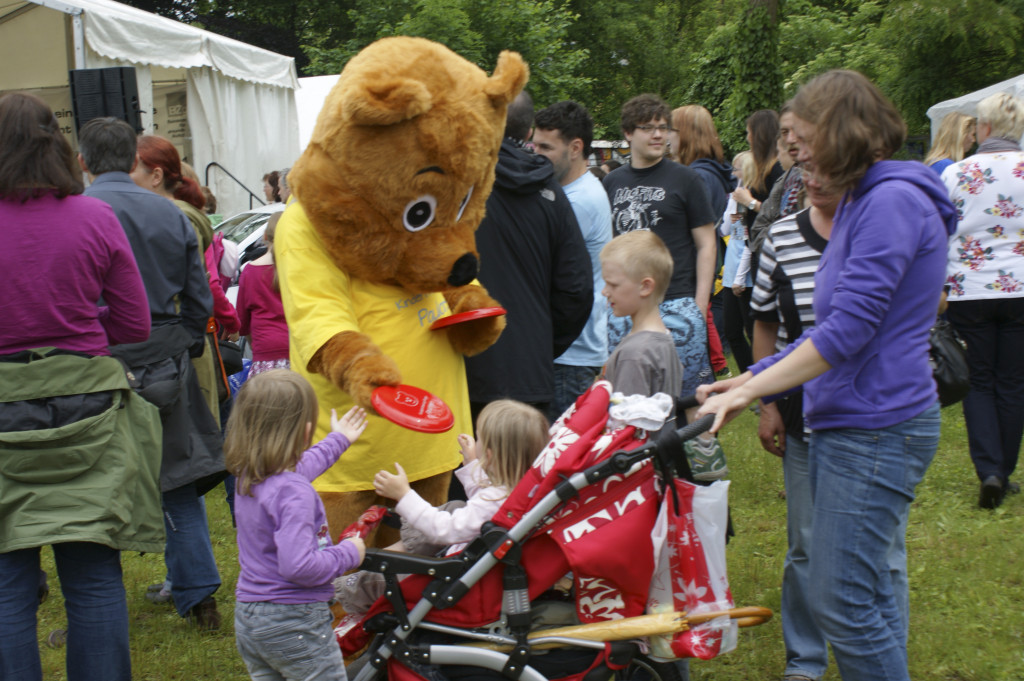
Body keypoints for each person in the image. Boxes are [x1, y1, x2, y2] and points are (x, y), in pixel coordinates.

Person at [696, 70, 955, 681]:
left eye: (807, 143)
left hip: (878, 428)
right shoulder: (867, 200)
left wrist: (756, 389)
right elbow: (829, 325)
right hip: (858, 422)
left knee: (842, 599)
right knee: (864, 594)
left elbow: (850, 332)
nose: (798, 160)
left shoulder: (891, 201)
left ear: (844, 132)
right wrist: (753, 375)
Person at [0, 92, 157, 681]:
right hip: (89, 408)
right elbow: (134, 324)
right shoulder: (94, 217)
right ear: (58, 146)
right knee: (92, 576)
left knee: (7, 584)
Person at [79, 117, 226, 629]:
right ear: (130, 159)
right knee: (176, 480)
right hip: (164, 353)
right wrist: (181, 342)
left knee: (94, 486)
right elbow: (198, 295)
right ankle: (198, 593)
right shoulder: (170, 214)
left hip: (99, 359)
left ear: (83, 161)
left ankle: (99, 609)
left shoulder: (80, 212)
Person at [602, 93, 723, 475]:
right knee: (629, 400)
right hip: (626, 309)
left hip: (678, 304)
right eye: (648, 128)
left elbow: (706, 243)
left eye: (662, 127)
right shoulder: (613, 182)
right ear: (627, 134)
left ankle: (704, 480)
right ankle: (643, 480)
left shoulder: (685, 179)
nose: (658, 135)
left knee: (690, 400)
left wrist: (700, 303)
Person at [749, 173, 840, 681]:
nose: (816, 178)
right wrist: (768, 404)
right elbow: (764, 322)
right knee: (804, 541)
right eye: (808, 166)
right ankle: (805, 660)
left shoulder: (870, 229)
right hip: (801, 409)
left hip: (865, 414)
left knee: (878, 548)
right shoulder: (783, 236)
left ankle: (867, 648)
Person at [227, 370, 368, 681]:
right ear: (305, 432)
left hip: (251, 616)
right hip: (293, 618)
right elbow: (300, 566)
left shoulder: (251, 476)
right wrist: (348, 554)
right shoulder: (294, 492)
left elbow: (302, 468)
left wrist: (339, 439)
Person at [464, 91, 593, 421]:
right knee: (524, 472)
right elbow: (576, 287)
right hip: (524, 370)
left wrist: (543, 342)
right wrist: (537, 341)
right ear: (527, 133)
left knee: (472, 471)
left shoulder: (458, 184)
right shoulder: (551, 191)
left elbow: (575, 290)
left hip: (470, 367)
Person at [941, 92, 1024, 509]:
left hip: (968, 288)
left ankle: (989, 469)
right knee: (1012, 381)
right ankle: (1004, 472)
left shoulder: (957, 173)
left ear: (985, 128)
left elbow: (937, 231)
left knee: (980, 380)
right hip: (1021, 289)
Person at [133, 137, 232, 422]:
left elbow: (202, 288)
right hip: (179, 345)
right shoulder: (171, 217)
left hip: (178, 347)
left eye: (132, 169)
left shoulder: (176, 220)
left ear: (156, 176)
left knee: (192, 426)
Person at [532, 100, 613, 419]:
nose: (535, 153)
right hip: (572, 347)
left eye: (545, 147)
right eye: (534, 144)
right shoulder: (569, 192)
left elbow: (543, 268)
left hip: (570, 353)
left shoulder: (580, 201)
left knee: (556, 460)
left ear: (575, 147)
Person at [668, 104, 737, 377]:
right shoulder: (710, 172)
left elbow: (698, 236)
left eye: (671, 130)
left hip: (691, 278)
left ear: (686, 134)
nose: (665, 137)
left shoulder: (699, 177)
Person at [601, 230, 682, 399]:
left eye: (613, 285)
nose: (605, 292)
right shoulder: (663, 339)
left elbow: (626, 421)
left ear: (645, 287)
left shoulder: (634, 355)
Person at [236, 212, 290, 375]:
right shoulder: (297, 269)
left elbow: (242, 322)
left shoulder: (250, 271)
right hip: (297, 349)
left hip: (265, 350)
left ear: (265, 236)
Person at [749, 106, 806, 256]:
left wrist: (749, 202)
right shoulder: (786, 177)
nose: (790, 139)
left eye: (796, 130)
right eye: (785, 132)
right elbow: (759, 228)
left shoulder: (778, 171)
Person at [719, 151, 756, 374]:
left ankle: (760, 384)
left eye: (737, 168)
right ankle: (749, 378)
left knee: (752, 333)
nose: (733, 173)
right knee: (732, 331)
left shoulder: (748, 200)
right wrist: (730, 208)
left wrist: (740, 278)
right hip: (731, 273)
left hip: (743, 277)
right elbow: (726, 229)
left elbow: (746, 244)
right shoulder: (737, 199)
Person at [925, 111, 976, 176]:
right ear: (961, 135)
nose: (973, 140)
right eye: (972, 134)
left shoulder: (937, 163)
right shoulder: (945, 165)